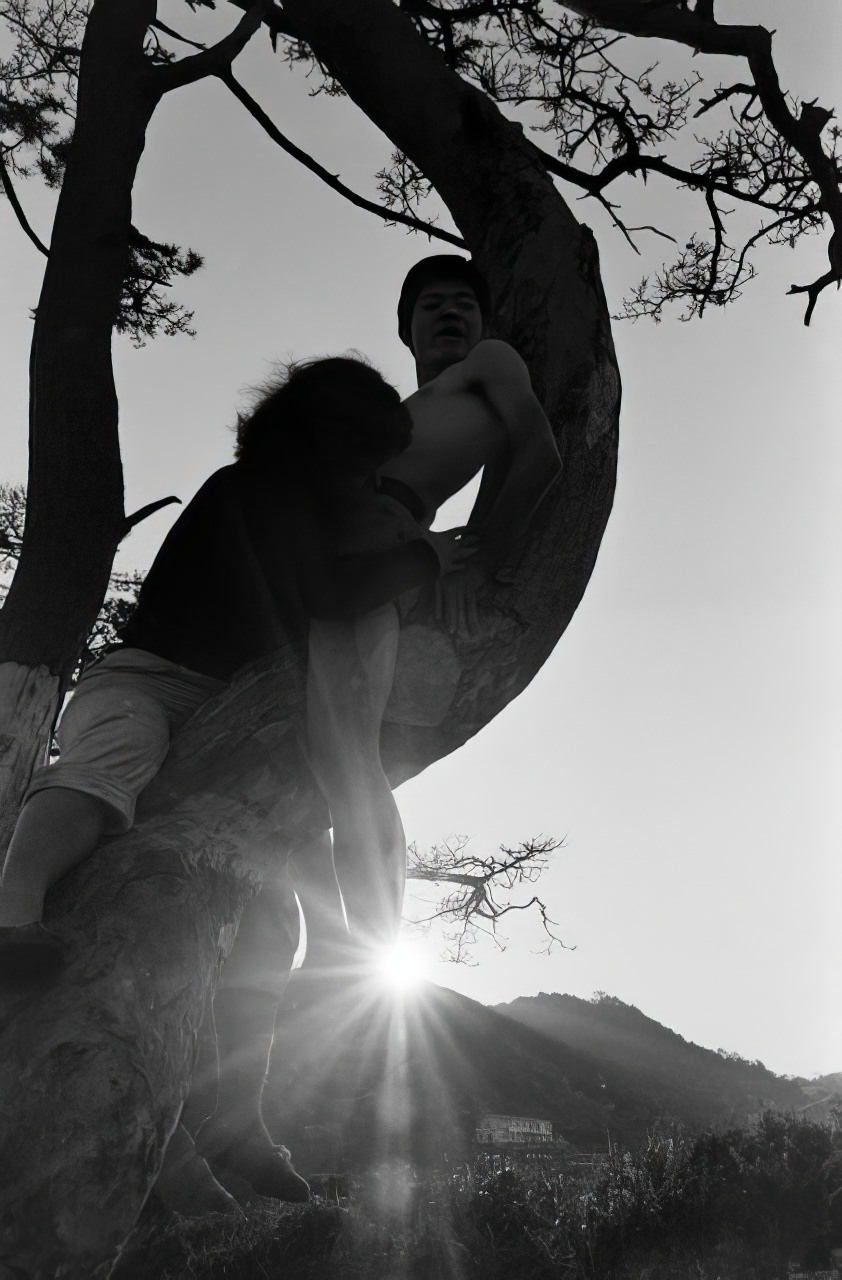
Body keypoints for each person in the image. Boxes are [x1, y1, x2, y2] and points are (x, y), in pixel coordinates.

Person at [0, 355, 473, 1205]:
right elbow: (330, 596)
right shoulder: (251, 490)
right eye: (363, 459)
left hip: (222, 714)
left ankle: (238, 1120)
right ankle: (10, 912)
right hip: (145, 679)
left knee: (268, 924)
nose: (369, 479)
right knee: (104, 772)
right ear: (325, 442)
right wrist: (425, 560)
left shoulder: (315, 505)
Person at [291, 254, 563, 971]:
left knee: (348, 756)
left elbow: (540, 454)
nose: (449, 313)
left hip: (383, 551)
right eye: (430, 305)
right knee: (310, 761)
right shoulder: (400, 412)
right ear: (406, 331)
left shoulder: (493, 363)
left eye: (463, 304)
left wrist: (480, 561)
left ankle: (369, 950)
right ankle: (327, 942)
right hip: (324, 567)